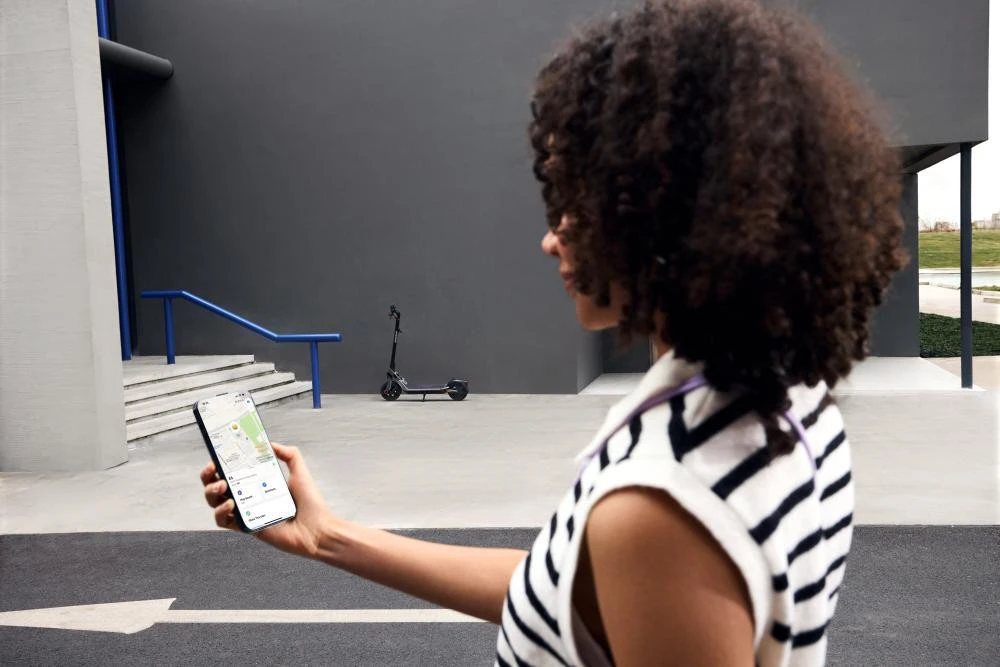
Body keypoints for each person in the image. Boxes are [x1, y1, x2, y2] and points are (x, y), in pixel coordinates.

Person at [200, 0, 904, 664]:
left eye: (579, 203)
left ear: (674, 215)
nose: (551, 237)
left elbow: (636, 565)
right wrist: (327, 536)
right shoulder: (786, 396)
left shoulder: (664, 499)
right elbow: (567, 595)